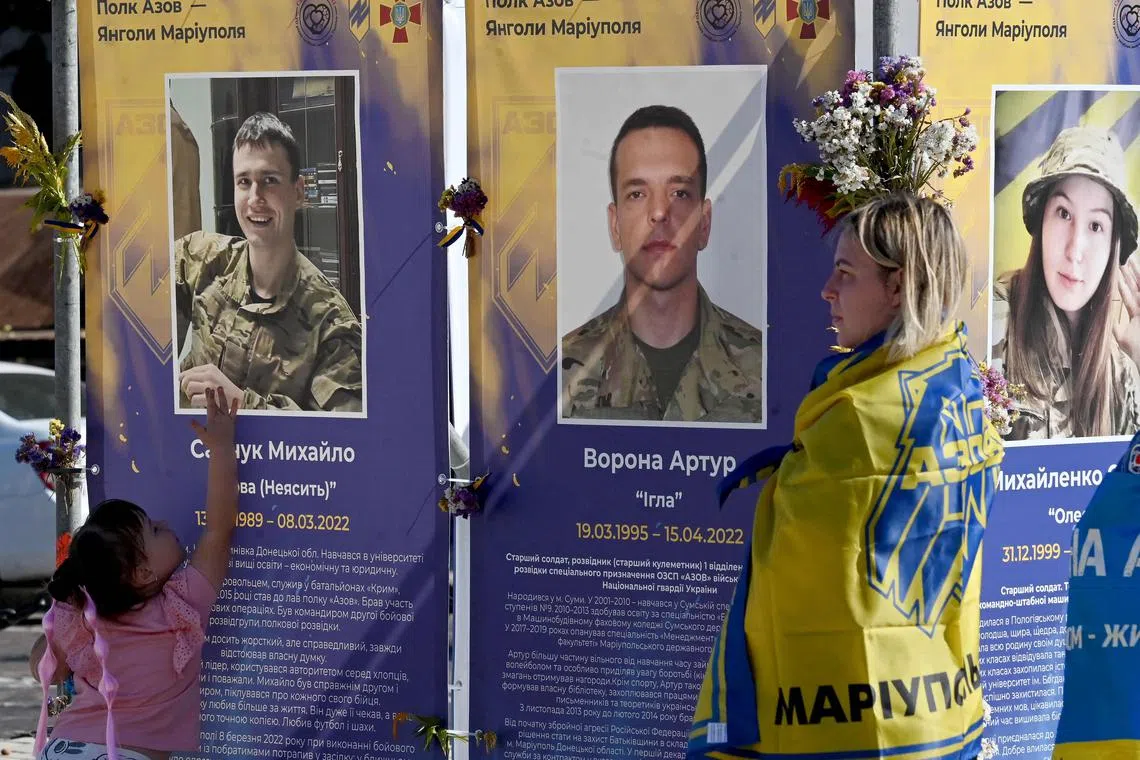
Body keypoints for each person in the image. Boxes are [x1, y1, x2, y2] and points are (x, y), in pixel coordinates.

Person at [688, 194, 1004, 760]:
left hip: (841, 718)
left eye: (846, 273)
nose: (827, 290)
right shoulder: (959, 390)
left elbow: (809, 566)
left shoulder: (860, 416)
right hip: (936, 709)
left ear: (898, 287)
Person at [29, 387, 239, 760]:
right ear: (142, 573)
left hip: (64, 746)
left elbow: (44, 670)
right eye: (154, 529)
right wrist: (222, 449)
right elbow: (219, 530)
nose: (164, 524)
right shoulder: (180, 607)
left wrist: (58, 625)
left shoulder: (83, 617)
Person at [560, 105, 765, 424]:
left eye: (679, 193)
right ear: (615, 226)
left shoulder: (766, 368)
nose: (659, 212)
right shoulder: (560, 374)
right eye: (637, 193)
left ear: (704, 223)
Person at [174, 112, 363, 413]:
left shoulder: (331, 325)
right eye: (244, 182)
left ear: (298, 192)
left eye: (269, 181)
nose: (255, 197)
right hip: (186, 442)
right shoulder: (199, 259)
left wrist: (242, 405)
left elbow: (338, 438)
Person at [992, 125, 1140, 440]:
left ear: (1113, 245)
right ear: (1041, 220)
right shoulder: (994, 322)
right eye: (1063, 213)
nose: (1075, 250)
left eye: (1096, 226)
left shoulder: (1121, 373)